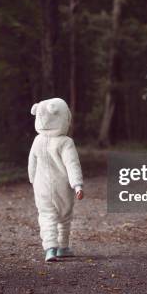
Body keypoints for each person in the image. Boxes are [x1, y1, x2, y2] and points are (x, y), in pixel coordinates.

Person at [28, 98, 84, 262]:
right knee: (64, 216)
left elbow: (32, 162)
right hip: (62, 187)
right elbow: (72, 164)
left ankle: (50, 249)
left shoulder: (37, 140)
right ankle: (62, 247)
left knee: (46, 216)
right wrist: (77, 184)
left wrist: (32, 179)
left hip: (41, 186)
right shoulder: (66, 142)